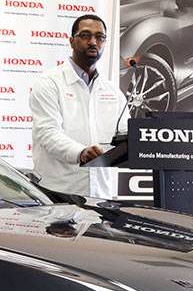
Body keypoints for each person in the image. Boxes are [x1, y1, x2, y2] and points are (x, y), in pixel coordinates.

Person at [29, 14, 128, 199]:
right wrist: (80, 153)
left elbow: (124, 133)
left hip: (101, 194)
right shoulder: (49, 83)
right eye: (85, 35)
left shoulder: (113, 91)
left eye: (100, 37)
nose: (93, 42)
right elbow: (48, 133)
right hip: (58, 193)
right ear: (72, 41)